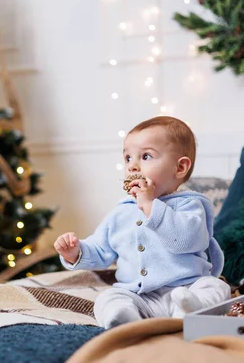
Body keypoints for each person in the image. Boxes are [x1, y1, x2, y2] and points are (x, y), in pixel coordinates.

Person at [54, 116, 230, 329]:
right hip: (140, 297)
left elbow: (184, 240)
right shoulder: (121, 212)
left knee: (216, 287)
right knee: (108, 298)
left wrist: (150, 205)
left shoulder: (190, 206)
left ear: (180, 168)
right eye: (128, 158)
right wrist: (75, 253)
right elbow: (101, 251)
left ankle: (190, 310)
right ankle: (125, 318)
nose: (133, 166)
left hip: (187, 288)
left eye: (146, 156)